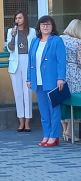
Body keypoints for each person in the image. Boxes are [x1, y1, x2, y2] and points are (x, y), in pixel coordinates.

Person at [27, 15, 66, 147]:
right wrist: (29, 78)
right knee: (43, 110)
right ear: (39, 27)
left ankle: (54, 136)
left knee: (54, 109)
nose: (45, 27)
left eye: (48, 24)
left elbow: (61, 61)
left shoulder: (57, 41)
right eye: (43, 24)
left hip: (53, 80)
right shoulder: (34, 41)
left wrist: (61, 78)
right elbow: (30, 61)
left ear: (52, 26)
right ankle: (46, 134)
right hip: (37, 80)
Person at [6, 10, 36, 132]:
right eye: (16, 18)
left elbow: (34, 48)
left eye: (20, 18)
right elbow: (10, 49)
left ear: (25, 19)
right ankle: (21, 120)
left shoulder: (32, 31)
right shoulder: (10, 31)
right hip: (15, 64)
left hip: (28, 63)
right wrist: (13, 37)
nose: (17, 20)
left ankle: (28, 121)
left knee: (27, 93)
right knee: (18, 93)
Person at [60, 19, 81, 141]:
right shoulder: (78, 42)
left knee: (63, 99)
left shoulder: (61, 39)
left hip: (61, 73)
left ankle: (64, 131)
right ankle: (69, 131)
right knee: (73, 101)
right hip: (74, 73)